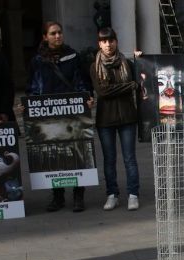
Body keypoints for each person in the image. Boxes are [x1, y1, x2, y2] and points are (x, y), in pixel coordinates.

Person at [26, 21, 92, 212]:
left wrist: (85, 99)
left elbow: (81, 82)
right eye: (53, 33)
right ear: (45, 37)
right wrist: (31, 105)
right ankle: (58, 196)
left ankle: (79, 196)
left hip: (73, 115)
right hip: (49, 117)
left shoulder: (73, 56)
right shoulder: (38, 61)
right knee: (53, 154)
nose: (58, 36)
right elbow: (32, 88)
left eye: (60, 32)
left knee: (77, 153)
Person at [90, 27, 140, 211]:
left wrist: (139, 59)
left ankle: (133, 194)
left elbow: (140, 81)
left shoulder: (127, 63)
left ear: (116, 41)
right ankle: (112, 194)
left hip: (127, 116)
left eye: (111, 40)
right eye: (104, 41)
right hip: (105, 119)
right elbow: (102, 91)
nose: (108, 44)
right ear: (99, 44)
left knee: (130, 158)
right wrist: (128, 86)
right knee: (109, 159)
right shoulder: (94, 65)